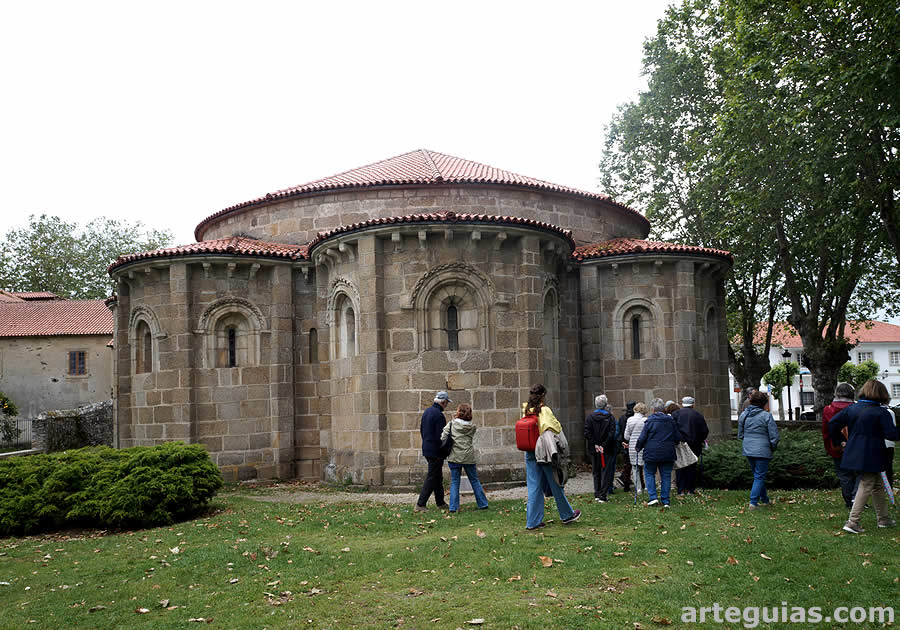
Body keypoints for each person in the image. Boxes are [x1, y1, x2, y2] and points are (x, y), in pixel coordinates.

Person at [829, 380, 898, 534]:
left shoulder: (852, 409)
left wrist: (839, 441)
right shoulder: (881, 412)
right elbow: (891, 434)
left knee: (878, 484)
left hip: (853, 451)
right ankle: (853, 521)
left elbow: (833, 423)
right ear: (881, 394)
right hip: (873, 453)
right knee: (866, 484)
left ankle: (883, 518)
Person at [523, 384, 581, 530]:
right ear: (543, 395)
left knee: (533, 486)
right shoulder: (545, 410)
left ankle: (532, 522)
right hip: (544, 452)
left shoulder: (526, 410)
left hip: (529, 451)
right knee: (555, 482)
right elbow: (555, 428)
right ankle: (567, 514)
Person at [440, 403, 489, 513]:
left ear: (458, 412)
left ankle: (453, 507)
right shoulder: (472, 427)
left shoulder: (452, 424)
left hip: (454, 456)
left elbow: (443, 437)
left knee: (455, 482)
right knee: (474, 480)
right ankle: (483, 503)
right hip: (468, 456)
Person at [636, 398, 683, 507]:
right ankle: (665, 500)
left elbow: (643, 437)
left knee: (649, 473)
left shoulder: (649, 421)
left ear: (653, 409)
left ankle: (653, 497)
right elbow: (677, 437)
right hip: (667, 452)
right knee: (666, 476)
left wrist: (638, 447)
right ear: (663, 409)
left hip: (651, 452)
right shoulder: (671, 421)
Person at [737, 390, 780, 510]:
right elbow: (774, 436)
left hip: (748, 448)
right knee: (759, 476)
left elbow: (740, 434)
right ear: (763, 403)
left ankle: (765, 500)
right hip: (763, 449)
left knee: (757, 475)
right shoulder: (766, 416)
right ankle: (753, 502)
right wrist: (772, 447)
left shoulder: (743, 415)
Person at [821, 382, 858, 508]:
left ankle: (849, 501)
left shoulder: (828, 409)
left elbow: (825, 430)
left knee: (844, 475)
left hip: (837, 447)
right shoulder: (857, 408)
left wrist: (829, 446)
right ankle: (856, 499)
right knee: (860, 473)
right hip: (856, 446)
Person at [415, 391, 452, 513]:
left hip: (427, 448)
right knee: (432, 477)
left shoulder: (427, 412)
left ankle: (440, 502)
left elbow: (422, 430)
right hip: (435, 451)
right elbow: (441, 437)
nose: (446, 405)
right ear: (443, 402)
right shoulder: (439, 415)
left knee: (437, 476)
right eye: (446, 403)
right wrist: (444, 450)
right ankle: (420, 504)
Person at [672, 396, 709, 495]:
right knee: (692, 468)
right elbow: (704, 431)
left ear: (682, 404)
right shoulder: (698, 415)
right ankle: (690, 489)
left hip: (680, 445)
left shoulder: (675, 414)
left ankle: (681, 490)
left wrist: (677, 440)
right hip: (694, 445)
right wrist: (699, 440)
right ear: (693, 404)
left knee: (680, 467)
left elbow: (673, 429)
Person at [584, 395, 616, 503]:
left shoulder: (589, 417)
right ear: (606, 405)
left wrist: (596, 445)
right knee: (605, 471)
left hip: (596, 449)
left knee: (596, 471)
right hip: (606, 449)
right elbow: (611, 433)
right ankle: (602, 495)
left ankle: (597, 493)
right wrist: (603, 445)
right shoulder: (610, 418)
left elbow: (587, 433)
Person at [623, 402, 648, 496]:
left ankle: (638, 489)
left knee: (635, 468)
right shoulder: (646, 420)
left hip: (633, 447)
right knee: (646, 467)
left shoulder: (630, 420)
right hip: (644, 446)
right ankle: (646, 487)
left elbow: (626, 436)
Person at [618, 401, 637, 492]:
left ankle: (626, 483)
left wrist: (622, 442)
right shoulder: (634, 418)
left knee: (627, 464)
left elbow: (620, 431)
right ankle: (633, 483)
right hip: (633, 443)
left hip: (624, 443)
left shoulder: (622, 418)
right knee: (635, 464)